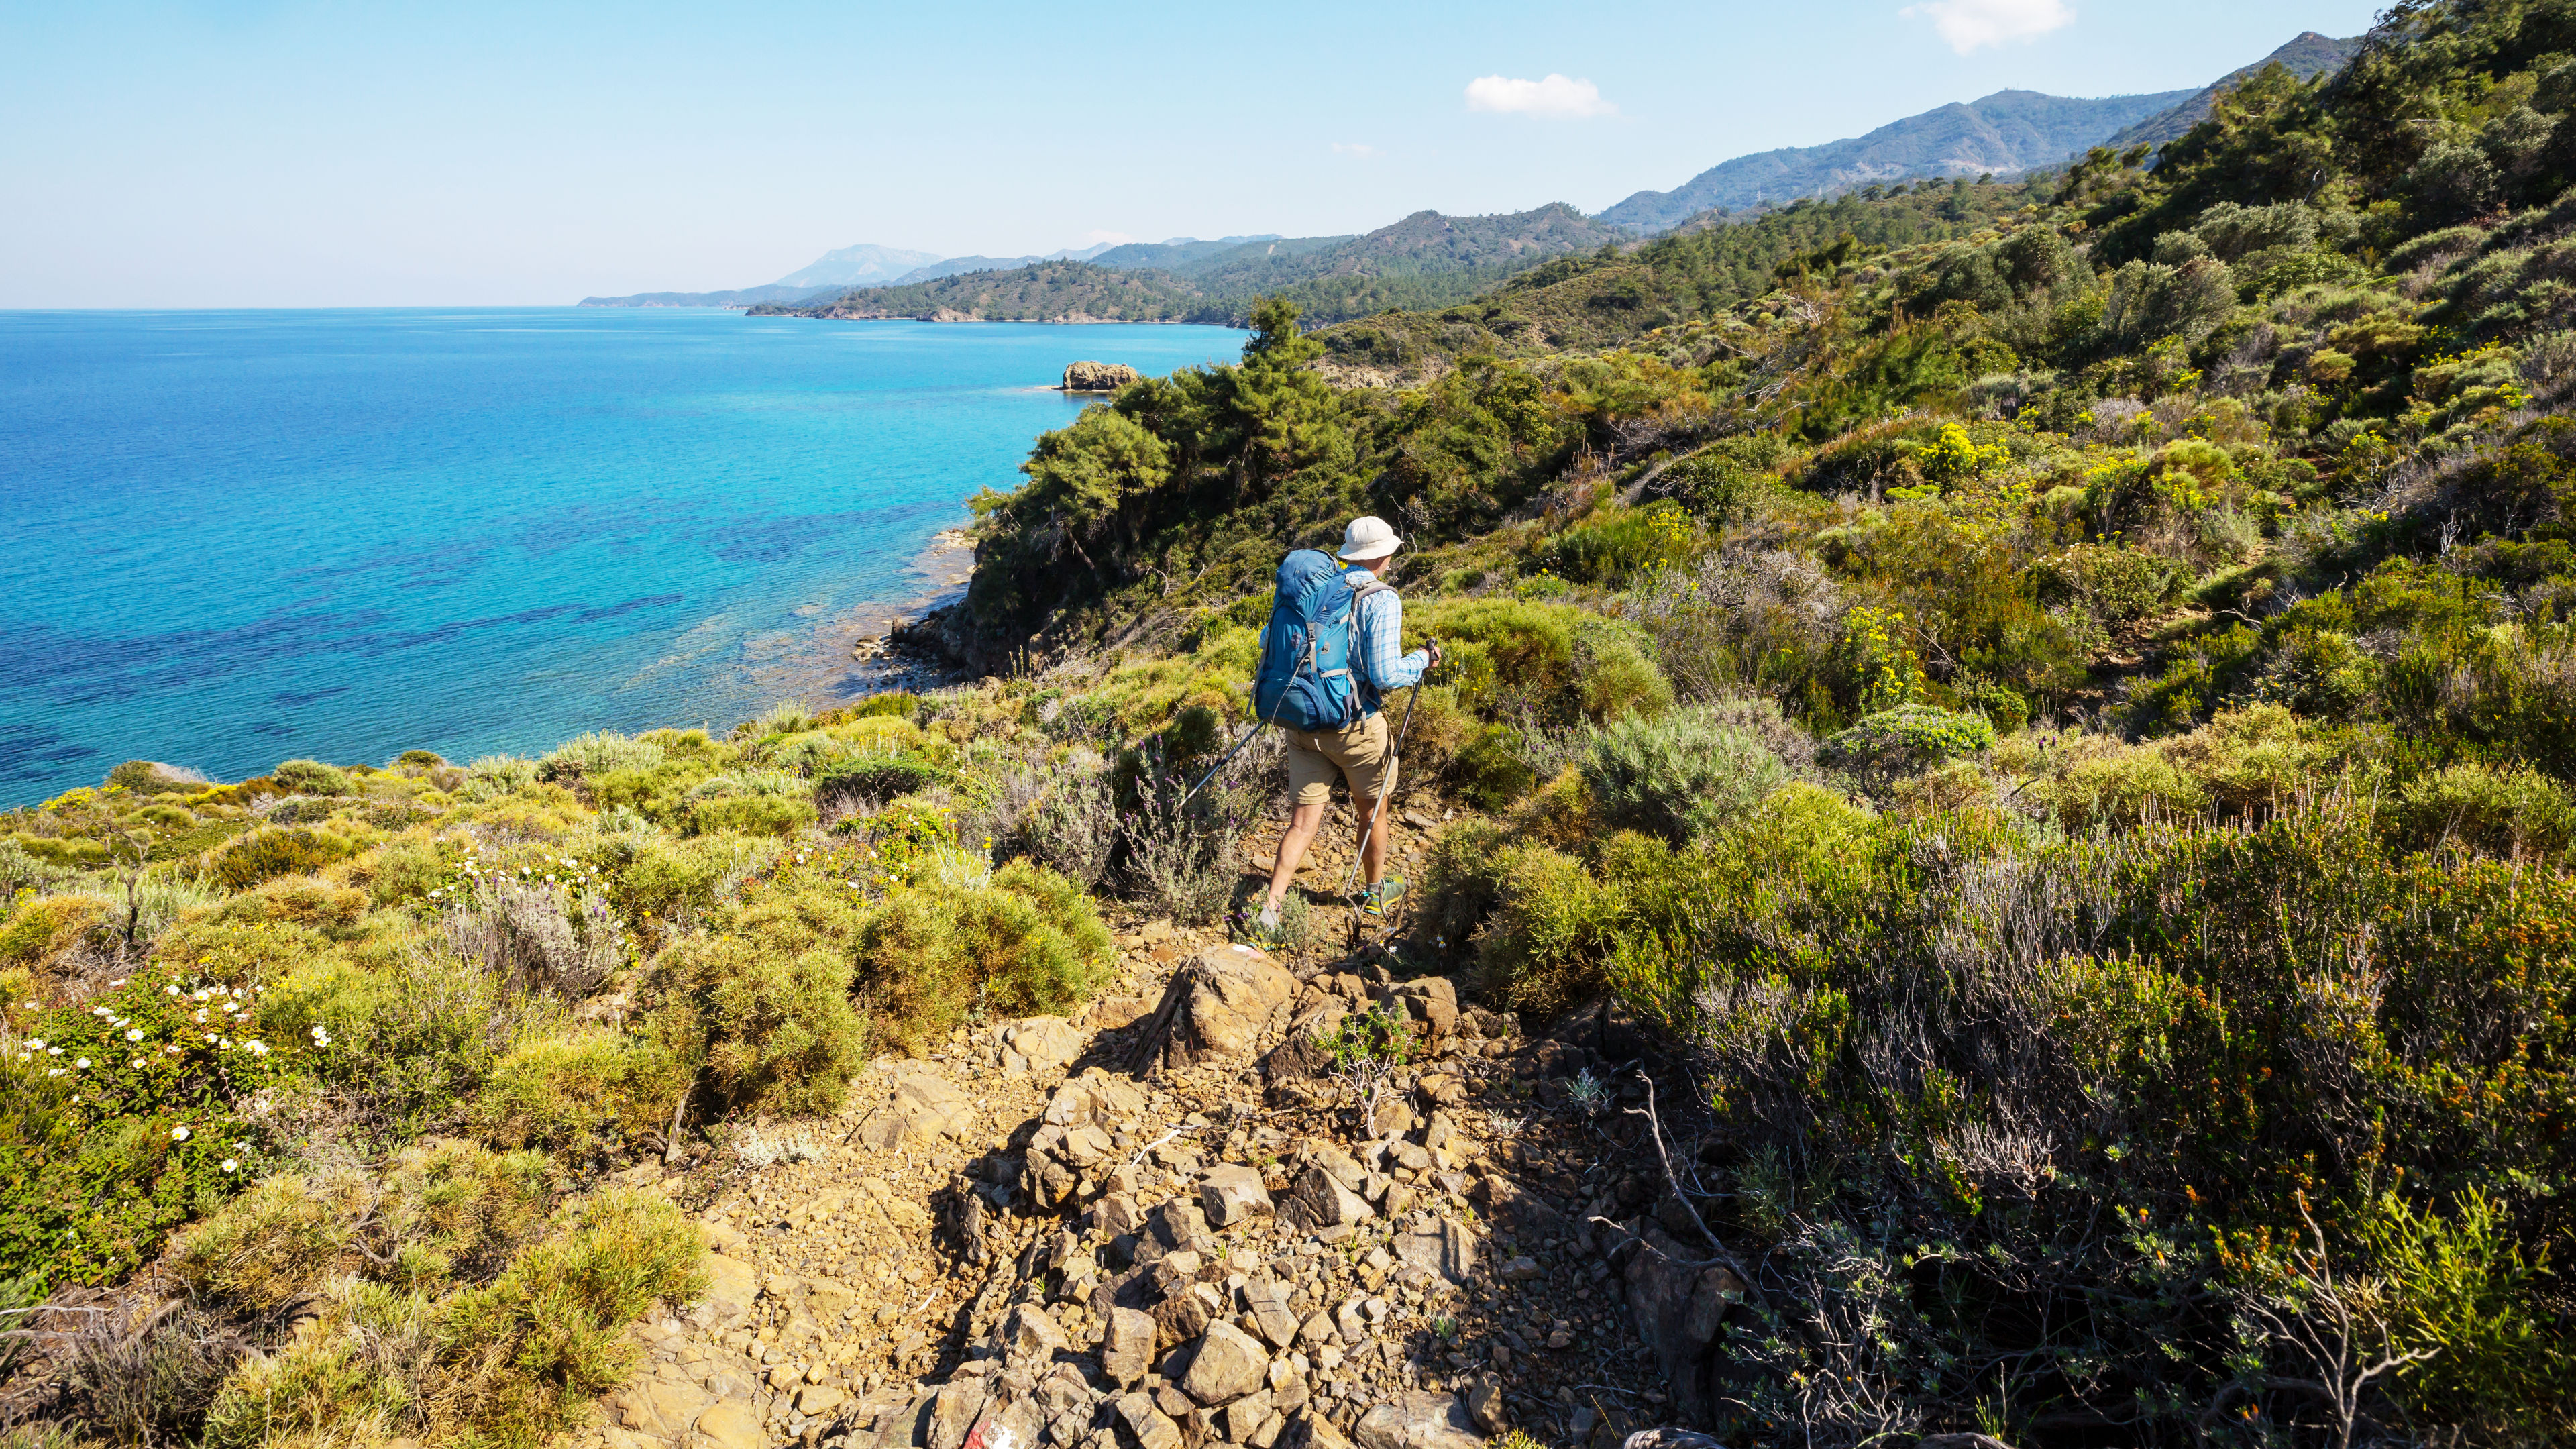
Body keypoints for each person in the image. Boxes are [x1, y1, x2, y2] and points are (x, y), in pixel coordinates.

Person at [1248, 515, 1439, 943]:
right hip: (1354, 727)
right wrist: (1421, 662)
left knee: (1301, 822)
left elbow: (1267, 642)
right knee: (1372, 811)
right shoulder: (1381, 598)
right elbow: (1386, 673)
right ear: (1384, 556)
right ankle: (1374, 894)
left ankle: (1271, 908)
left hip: (1301, 724)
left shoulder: (1314, 590)